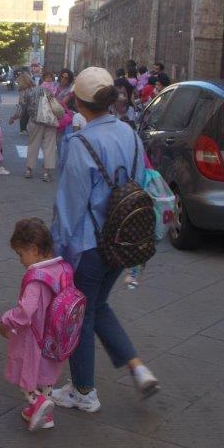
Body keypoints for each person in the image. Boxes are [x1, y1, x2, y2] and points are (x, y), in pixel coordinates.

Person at [51, 67, 160, 412]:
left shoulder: (80, 143)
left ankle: (83, 391)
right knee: (97, 306)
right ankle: (137, 367)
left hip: (89, 245)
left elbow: (69, 207)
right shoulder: (130, 133)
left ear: (78, 102)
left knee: (82, 315)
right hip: (125, 239)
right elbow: (139, 180)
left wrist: (57, 252)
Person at [0, 218, 68, 431]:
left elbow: (25, 312)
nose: (20, 260)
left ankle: (38, 403)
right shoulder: (62, 268)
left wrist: (6, 320)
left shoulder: (36, 278)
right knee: (46, 376)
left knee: (25, 377)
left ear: (35, 249)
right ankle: (45, 415)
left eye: (21, 254)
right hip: (55, 336)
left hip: (34, 338)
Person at [22, 81, 63, 182]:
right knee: (49, 146)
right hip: (49, 120)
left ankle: (29, 170)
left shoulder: (26, 92)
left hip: (35, 121)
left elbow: (23, 107)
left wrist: (14, 117)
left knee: (33, 145)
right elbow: (54, 104)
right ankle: (46, 173)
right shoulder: (46, 90)